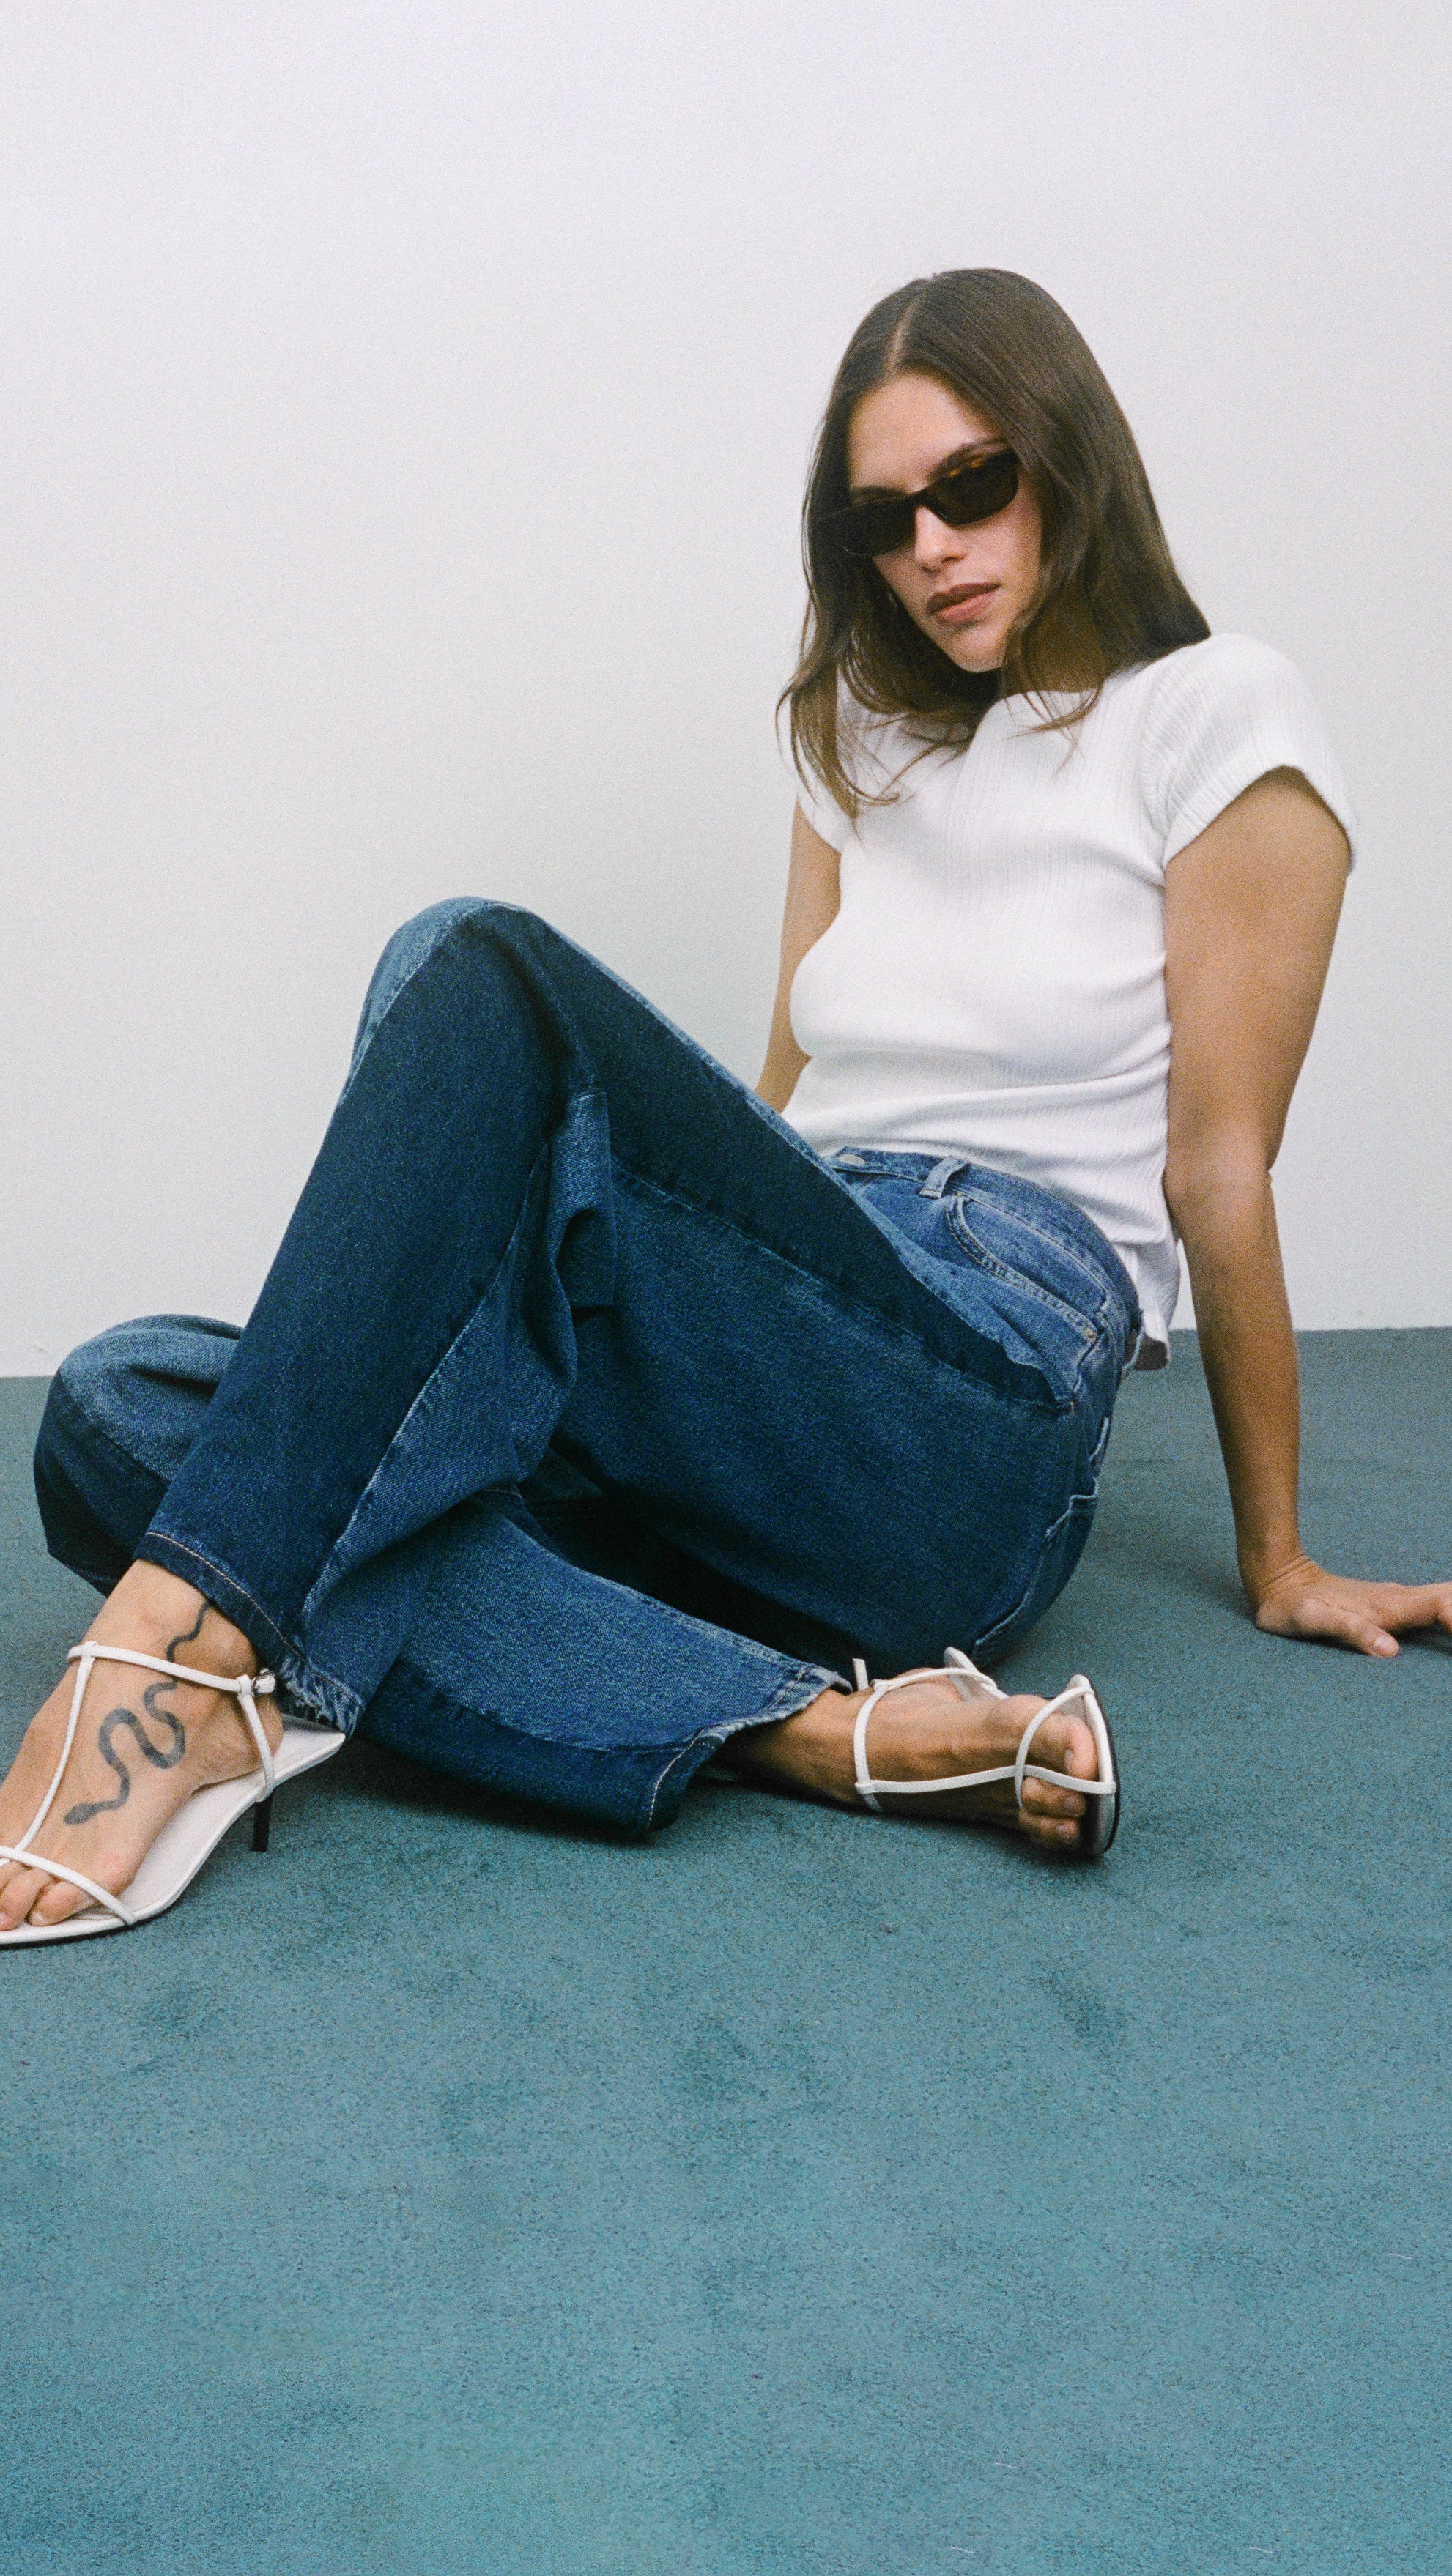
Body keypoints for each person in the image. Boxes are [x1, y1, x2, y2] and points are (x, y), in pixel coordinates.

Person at [6, 267, 1448, 1945]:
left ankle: (173, 1670)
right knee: (119, 1404)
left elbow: (1218, 1167)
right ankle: (811, 1729)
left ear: (1073, 460)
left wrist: (1278, 1560)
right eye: (882, 521)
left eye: (973, 486)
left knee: (467, 967)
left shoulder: (1217, 712)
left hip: (970, 1406)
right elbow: (775, 1110)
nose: (931, 549)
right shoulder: (858, 734)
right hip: (773, 1352)